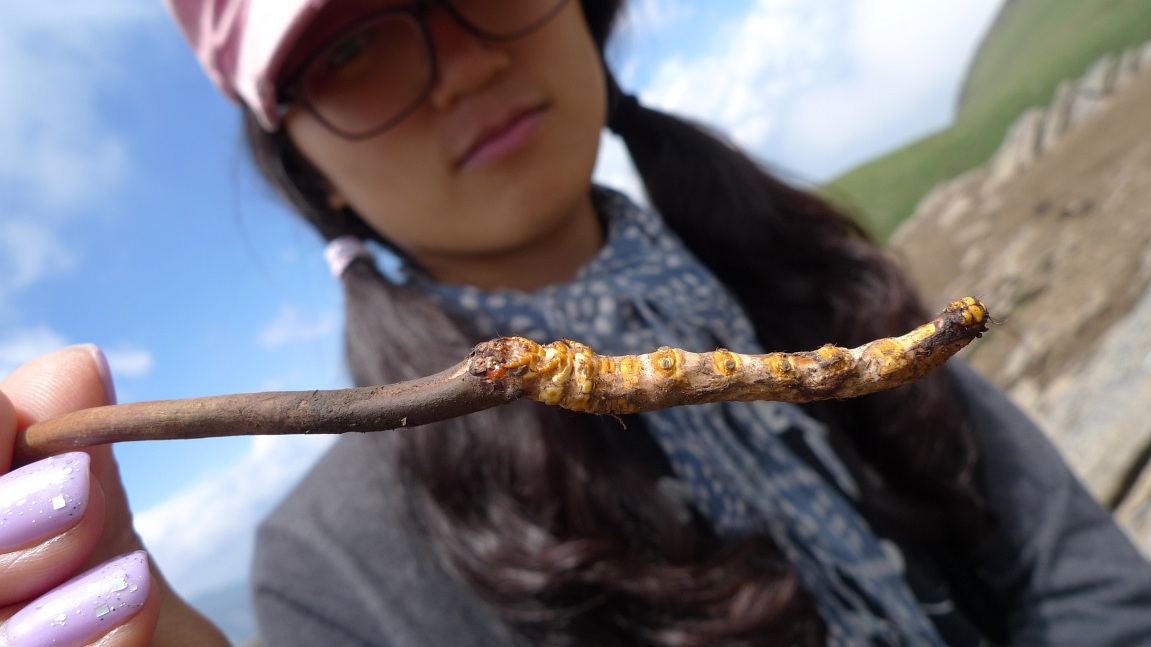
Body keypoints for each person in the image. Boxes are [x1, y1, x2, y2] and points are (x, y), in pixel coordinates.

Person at [2, 1, 1151, 645]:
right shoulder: (329, 572)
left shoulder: (810, 276)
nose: (460, 64)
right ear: (311, 175)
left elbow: (1084, 587)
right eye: (350, 44)